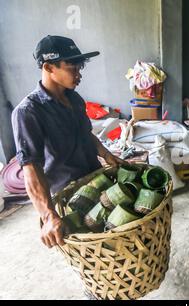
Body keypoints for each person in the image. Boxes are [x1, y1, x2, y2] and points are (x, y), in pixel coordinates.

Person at [11, 35, 126, 248]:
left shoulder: (74, 98)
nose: (78, 73)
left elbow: (85, 134)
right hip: (71, 196)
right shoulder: (28, 112)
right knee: (93, 251)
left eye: (79, 66)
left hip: (97, 180)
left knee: (115, 236)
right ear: (48, 67)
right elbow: (31, 168)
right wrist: (48, 216)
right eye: (72, 67)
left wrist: (106, 154)